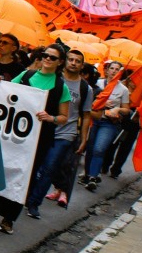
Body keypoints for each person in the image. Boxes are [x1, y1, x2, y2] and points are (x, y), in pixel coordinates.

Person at [0, 45, 71, 231]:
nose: (47, 59)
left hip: (40, 138)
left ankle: (10, 217)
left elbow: (64, 117)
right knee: (8, 167)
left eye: (52, 57)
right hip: (16, 133)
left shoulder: (61, 88)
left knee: (26, 175)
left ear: (60, 62)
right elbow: (7, 90)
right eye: (45, 55)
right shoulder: (26, 76)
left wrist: (51, 118)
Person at [23, 47, 86, 218]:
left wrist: (84, 138)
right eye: (71, 59)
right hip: (38, 130)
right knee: (33, 166)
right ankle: (25, 196)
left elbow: (86, 115)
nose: (73, 63)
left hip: (64, 134)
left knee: (49, 168)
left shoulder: (83, 87)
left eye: (77, 61)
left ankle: (34, 203)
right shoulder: (43, 76)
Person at [83, 62, 130, 191]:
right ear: (107, 70)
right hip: (93, 119)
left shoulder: (123, 89)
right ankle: (87, 174)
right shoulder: (97, 83)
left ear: (120, 73)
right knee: (90, 148)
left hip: (108, 123)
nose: (114, 71)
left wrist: (118, 109)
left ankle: (93, 177)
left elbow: (127, 110)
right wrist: (100, 102)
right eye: (112, 69)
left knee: (99, 148)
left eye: (117, 70)